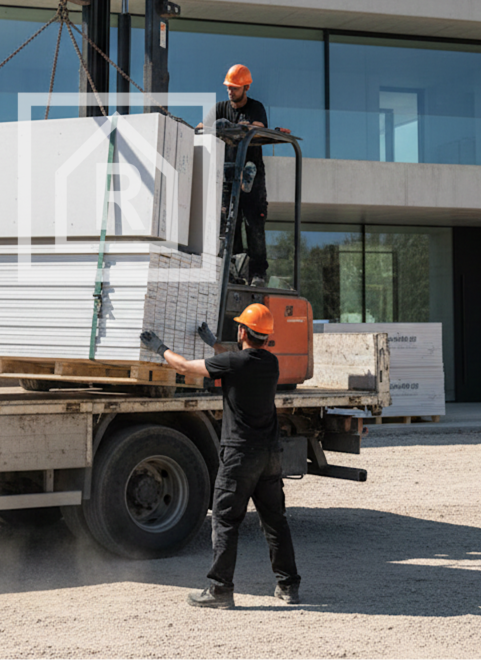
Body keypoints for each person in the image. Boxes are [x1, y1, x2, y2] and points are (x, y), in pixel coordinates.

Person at [140, 303, 301, 610]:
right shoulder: (271, 363)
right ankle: (288, 586)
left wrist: (159, 347)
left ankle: (220, 590)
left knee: (226, 521)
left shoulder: (233, 362)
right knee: (275, 522)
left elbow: (185, 367)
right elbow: (234, 356)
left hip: (240, 455)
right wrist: (211, 340)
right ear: (266, 337)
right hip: (270, 455)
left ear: (242, 331)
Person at [204, 64, 269, 286]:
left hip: (251, 177)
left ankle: (258, 273)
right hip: (228, 175)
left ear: (246, 87)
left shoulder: (256, 108)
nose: (230, 91)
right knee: (228, 223)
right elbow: (205, 126)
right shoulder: (220, 108)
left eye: (235, 88)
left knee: (254, 224)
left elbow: (259, 126)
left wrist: (240, 127)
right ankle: (233, 271)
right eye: (229, 87)